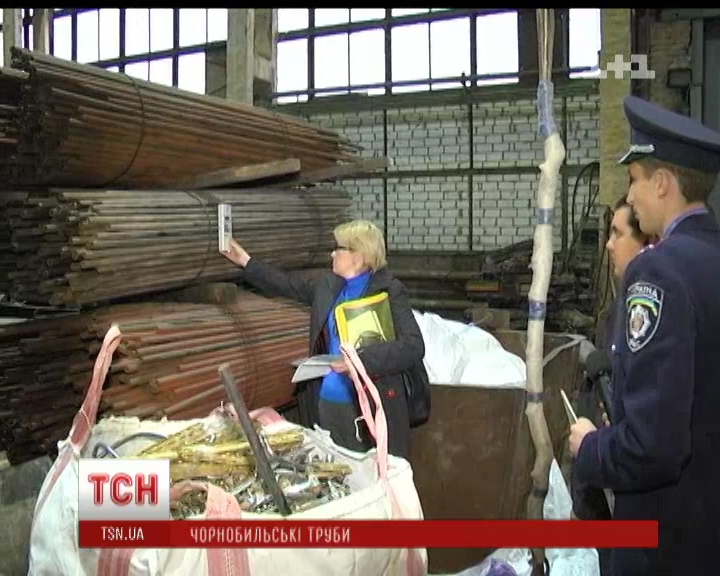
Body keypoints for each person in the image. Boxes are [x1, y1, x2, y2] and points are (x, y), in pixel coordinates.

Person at [569, 95, 720, 575]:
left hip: (664, 541)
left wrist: (590, 448)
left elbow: (651, 446)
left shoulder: (658, 272)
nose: (629, 197)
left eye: (634, 180)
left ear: (662, 183)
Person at [221, 219, 426, 459]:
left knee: (370, 473)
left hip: (369, 406)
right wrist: (246, 261)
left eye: (338, 248)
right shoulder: (329, 286)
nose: (332, 254)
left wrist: (357, 361)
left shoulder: (389, 291)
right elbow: (286, 284)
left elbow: (413, 345)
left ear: (358, 256)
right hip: (327, 403)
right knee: (334, 470)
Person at [570, 195, 653, 575]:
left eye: (617, 234)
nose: (607, 244)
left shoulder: (648, 312)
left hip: (634, 485)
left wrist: (593, 445)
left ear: (646, 243)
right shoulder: (617, 311)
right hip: (611, 482)